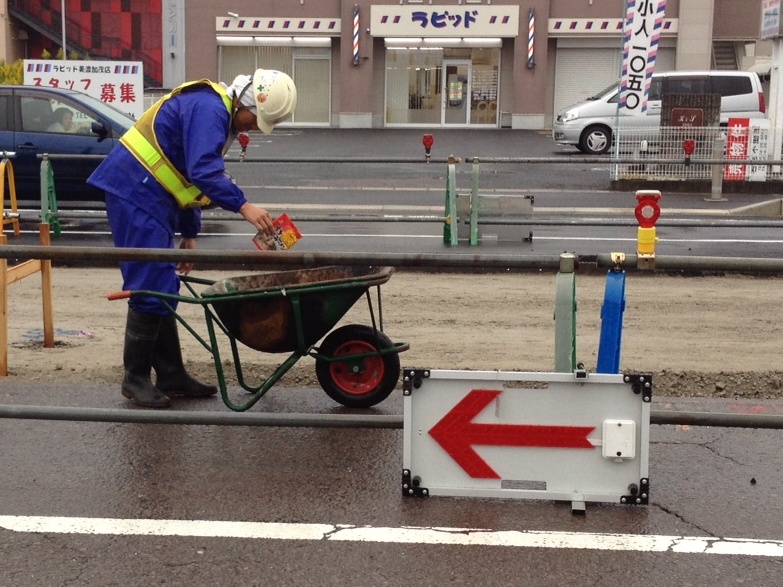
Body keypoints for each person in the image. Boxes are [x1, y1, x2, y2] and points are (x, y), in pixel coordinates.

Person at [87, 69, 298, 408]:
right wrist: (243, 206)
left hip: (150, 195)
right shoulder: (210, 108)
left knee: (163, 283)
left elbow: (185, 178)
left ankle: (170, 374)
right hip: (134, 191)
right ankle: (135, 377)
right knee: (149, 281)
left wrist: (189, 233)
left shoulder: (215, 112)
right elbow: (202, 172)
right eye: (256, 120)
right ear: (247, 103)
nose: (255, 128)